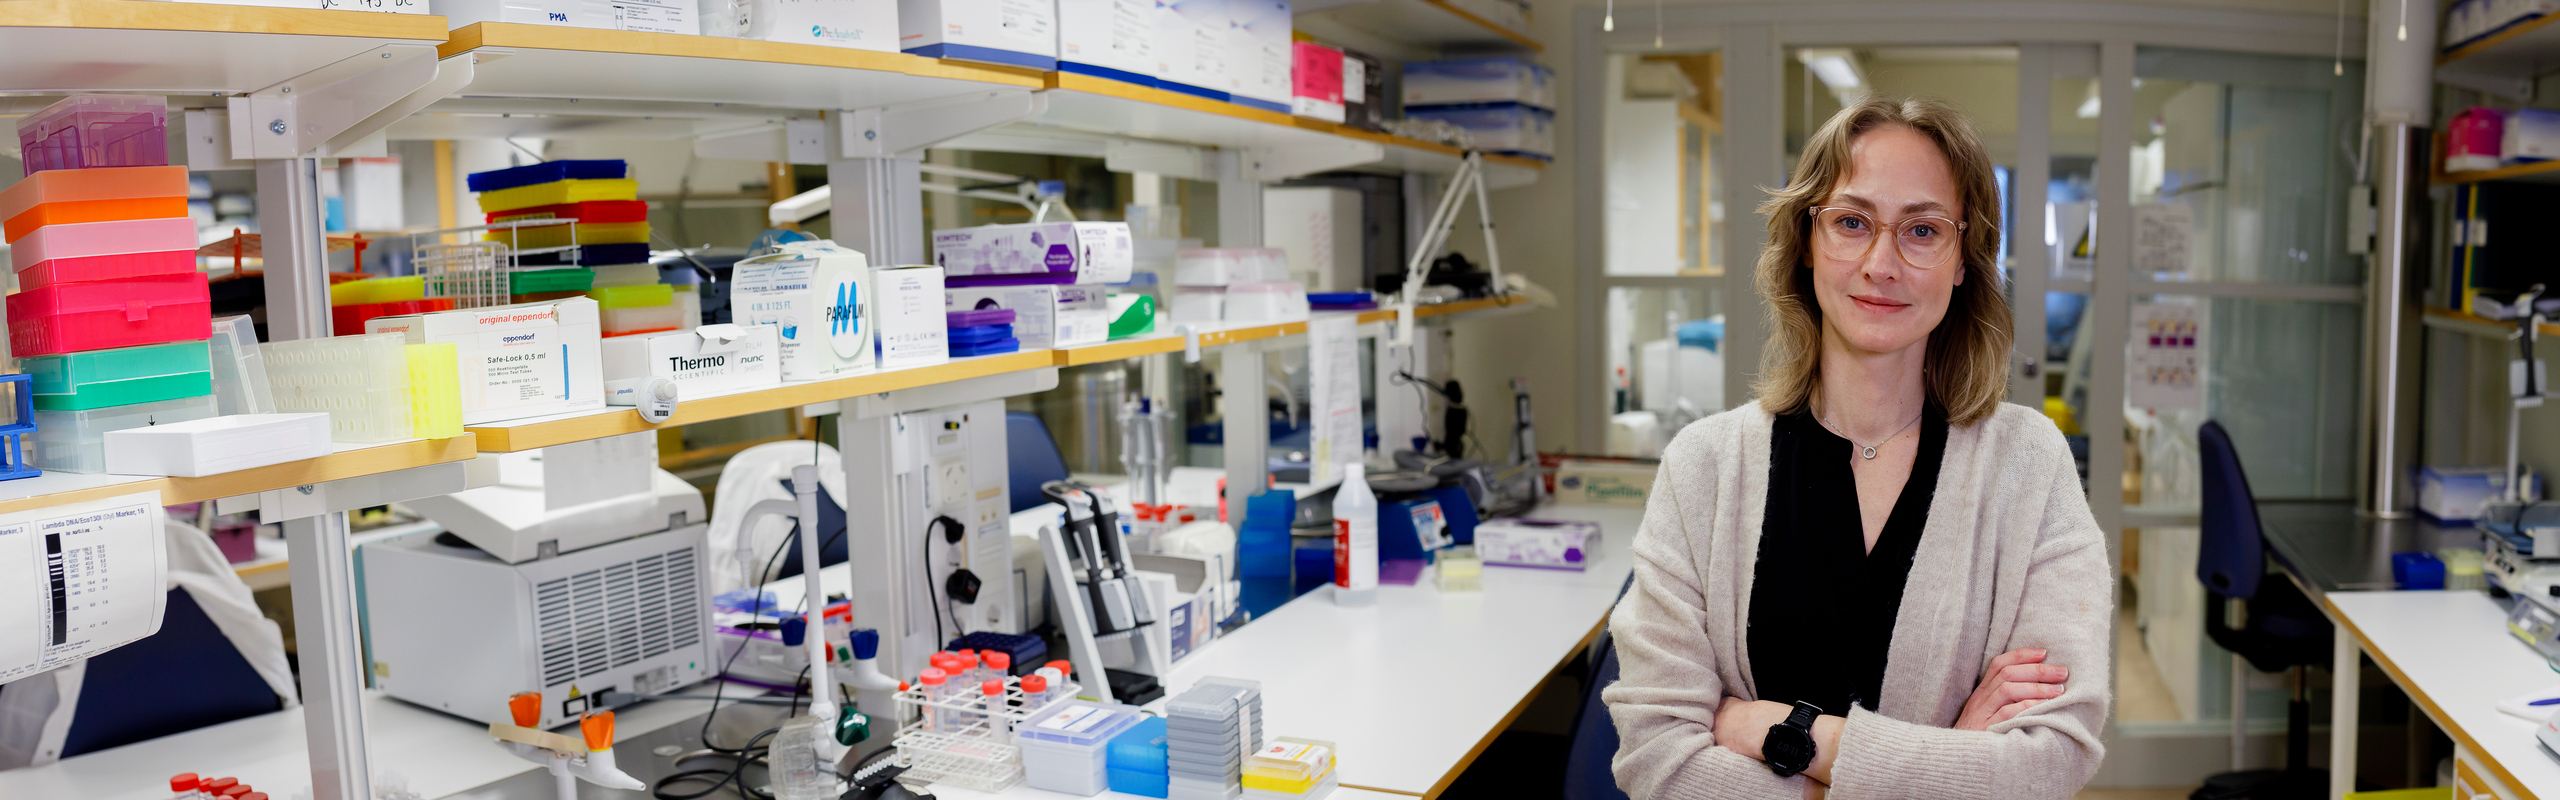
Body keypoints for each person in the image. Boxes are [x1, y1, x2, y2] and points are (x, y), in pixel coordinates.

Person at [1603, 95, 2111, 799]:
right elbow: (1657, 758)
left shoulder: (2029, 464)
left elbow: (2050, 760)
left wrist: (1781, 733)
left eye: (1923, 230)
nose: (1882, 263)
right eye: (1850, 222)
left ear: (1964, 259)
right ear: (1806, 242)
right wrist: (1949, 761)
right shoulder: (1705, 468)